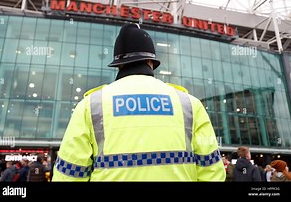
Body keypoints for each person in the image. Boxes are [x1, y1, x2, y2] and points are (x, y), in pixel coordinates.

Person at [52, 23, 225, 181]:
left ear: (119, 65)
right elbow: (212, 172)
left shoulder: (91, 105)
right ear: (151, 62)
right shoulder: (189, 104)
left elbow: (68, 175)